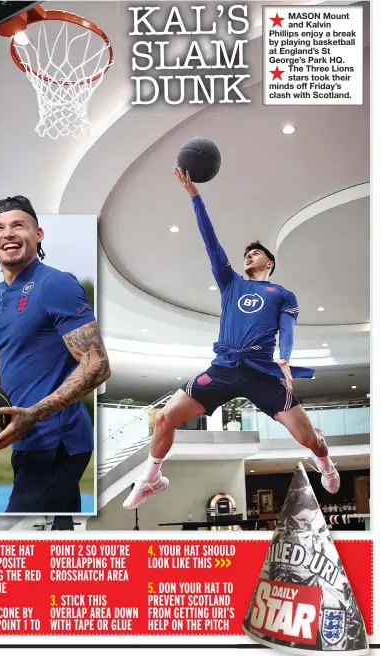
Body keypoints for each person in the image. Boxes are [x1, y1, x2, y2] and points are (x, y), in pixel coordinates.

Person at [123, 169, 340, 511]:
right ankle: (152, 478)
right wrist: (196, 198)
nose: (249, 256)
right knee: (165, 417)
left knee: (307, 438)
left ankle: (325, 461)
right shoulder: (230, 283)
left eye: (256, 253)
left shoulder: (281, 293)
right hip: (223, 369)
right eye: (247, 254)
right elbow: (211, 242)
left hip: (261, 373)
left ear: (270, 262)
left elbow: (288, 328)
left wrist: (284, 357)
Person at [0, 195, 111, 526]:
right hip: (25, 439)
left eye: (18, 225)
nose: (8, 233)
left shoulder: (56, 284)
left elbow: (97, 366)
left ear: (38, 234)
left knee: (4, 538)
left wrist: (34, 414)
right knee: (60, 533)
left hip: (58, 439)